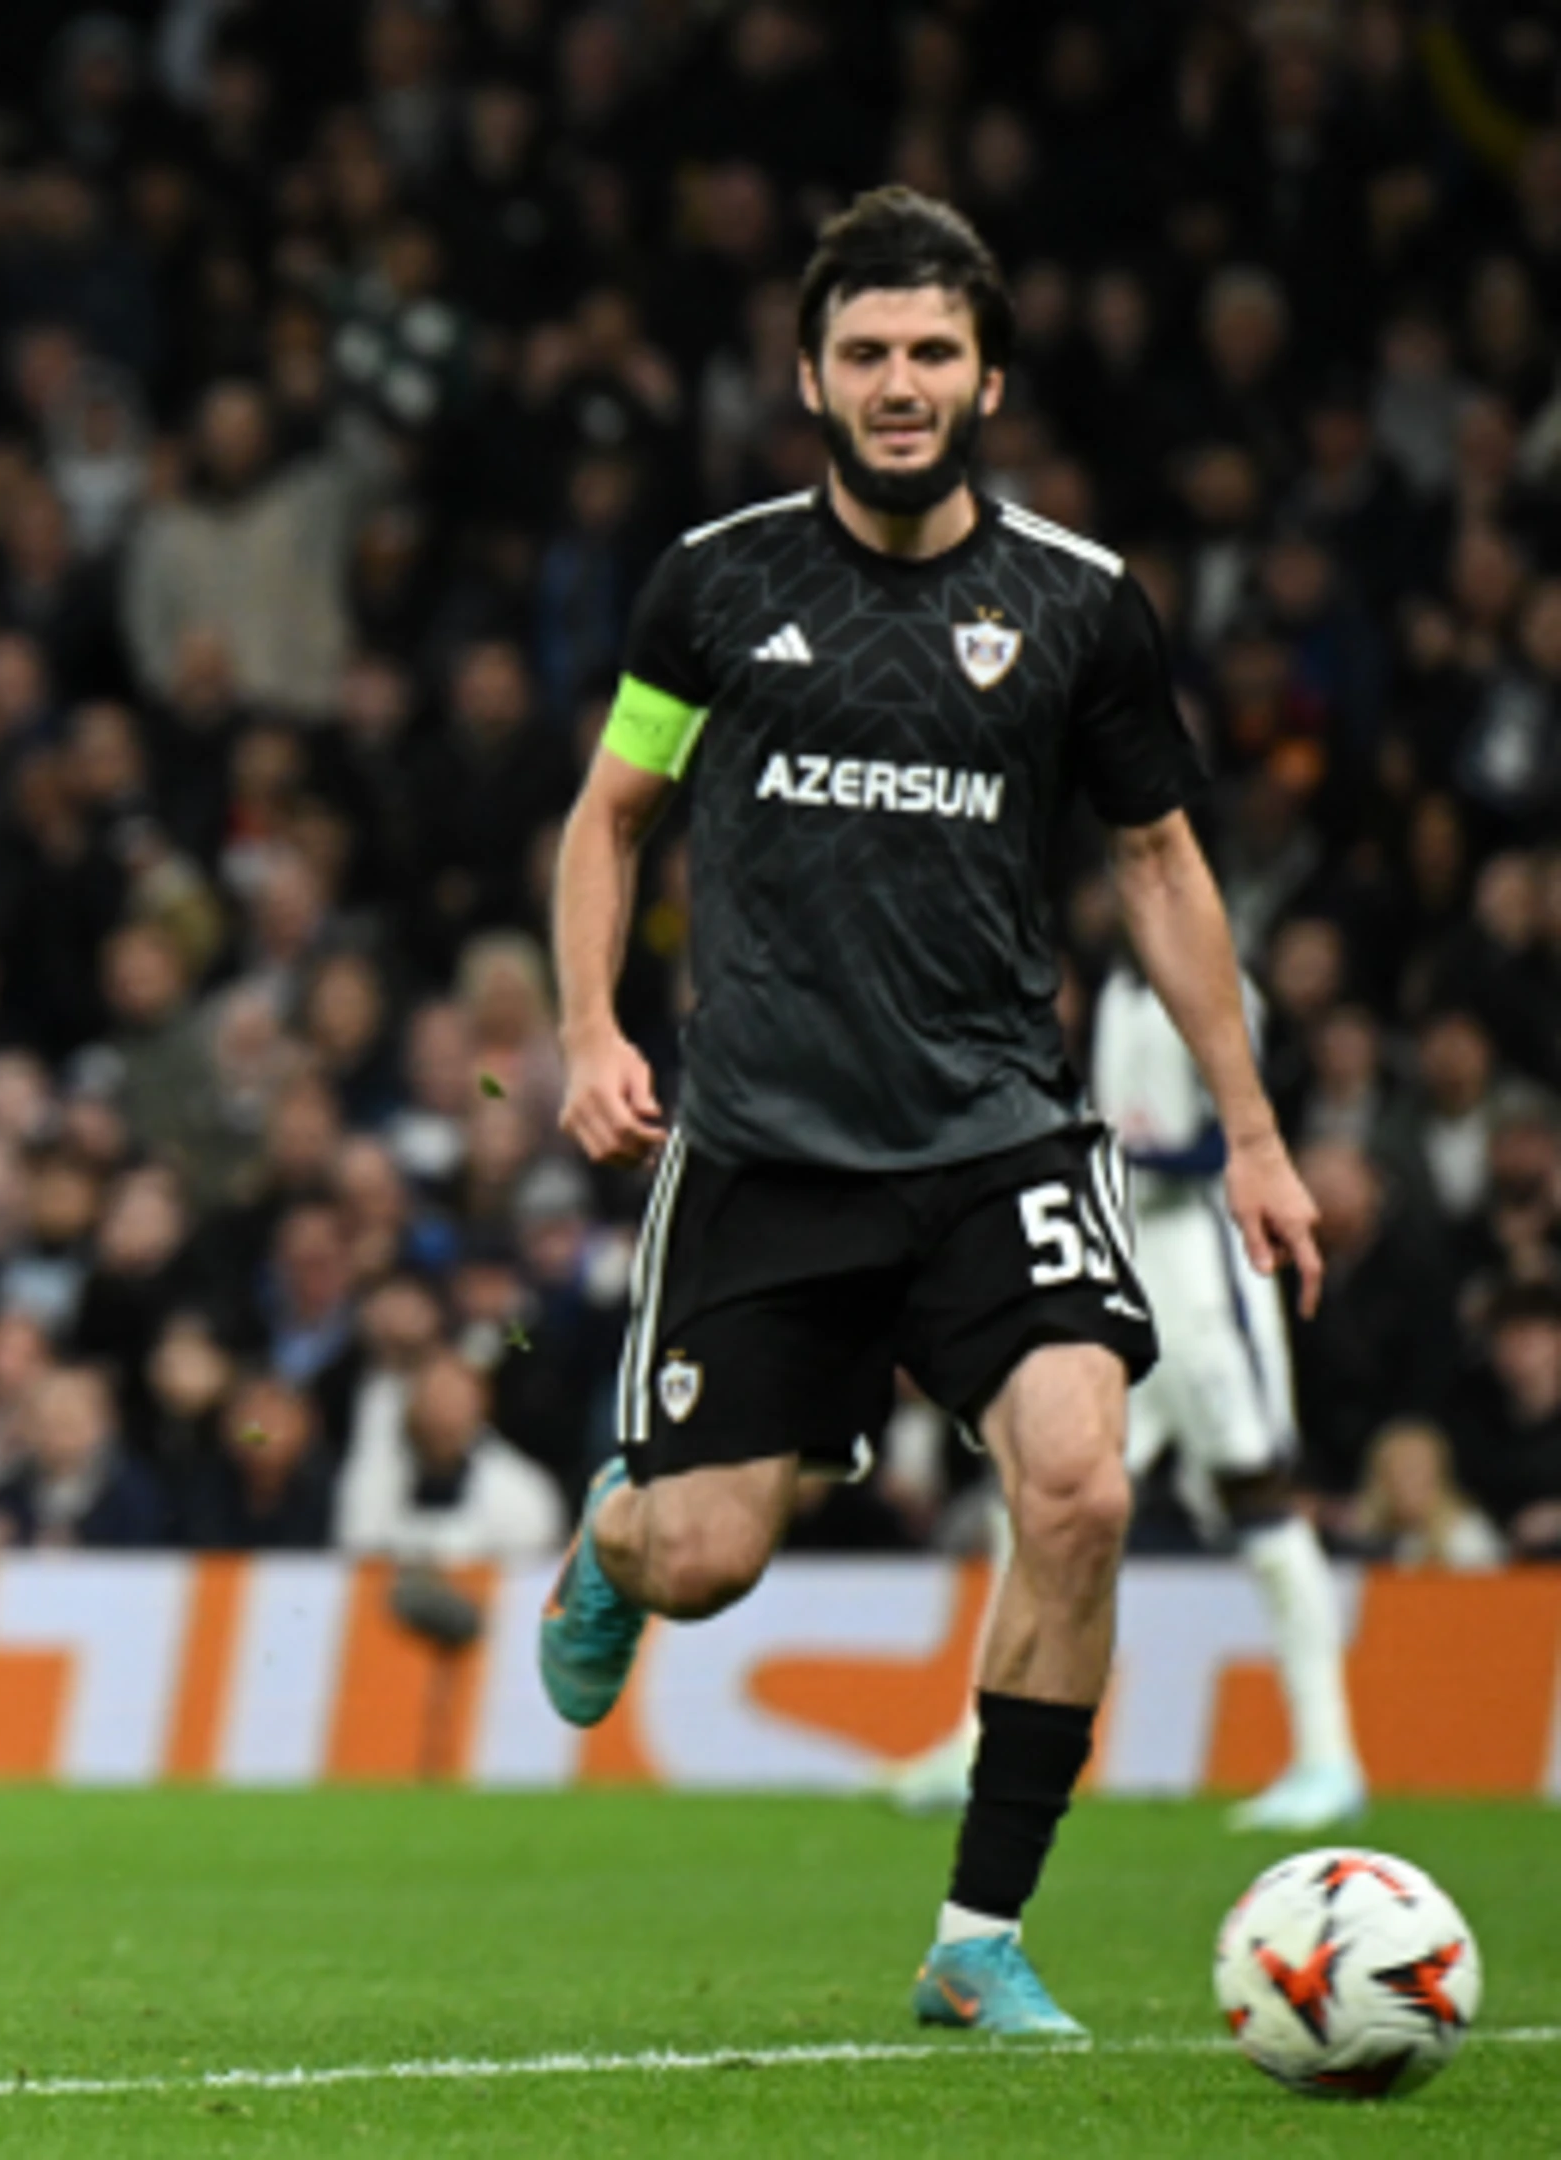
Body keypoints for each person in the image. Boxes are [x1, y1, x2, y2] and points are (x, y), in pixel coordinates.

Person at [540, 190, 1318, 2039]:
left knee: (1082, 1485)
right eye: (869, 353)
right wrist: (584, 1031)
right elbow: (611, 817)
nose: (902, 384)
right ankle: (613, 1540)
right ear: (812, 379)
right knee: (706, 1559)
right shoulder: (717, 585)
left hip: (994, 1134)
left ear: (990, 381)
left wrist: (1254, 1131)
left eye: (935, 353)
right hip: (768, 1149)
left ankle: (979, 1938)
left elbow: (1161, 864)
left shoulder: (1076, 603)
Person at [885, 961, 1367, 1830]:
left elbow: (1231, 1142)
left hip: (1207, 1264)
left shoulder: (1222, 986)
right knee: (1042, 1488)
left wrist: (1103, 1147)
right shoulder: (1117, 990)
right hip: (1124, 1254)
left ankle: (1328, 1755)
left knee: (1255, 1490)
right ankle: (979, 1739)